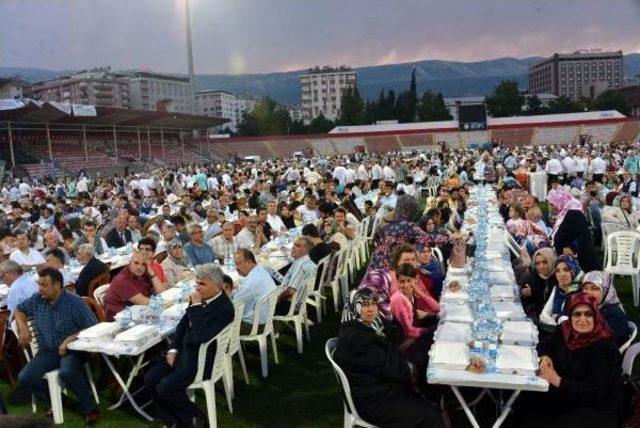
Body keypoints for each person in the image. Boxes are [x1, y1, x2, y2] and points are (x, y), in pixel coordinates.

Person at [333, 288, 444, 428]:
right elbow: (390, 368)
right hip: (374, 400)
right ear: (354, 306)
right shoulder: (356, 338)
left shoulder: (370, 324)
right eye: (365, 305)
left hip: (383, 386)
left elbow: (395, 332)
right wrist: (412, 369)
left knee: (431, 387)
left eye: (373, 304)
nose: (371, 309)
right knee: (430, 415)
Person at [144, 263, 234, 428]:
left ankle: (195, 417)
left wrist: (196, 306)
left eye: (202, 284)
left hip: (203, 359)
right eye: (197, 282)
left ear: (217, 287)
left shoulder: (224, 308)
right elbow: (182, 326)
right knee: (150, 378)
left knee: (165, 388)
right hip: (184, 353)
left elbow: (201, 335)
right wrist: (173, 349)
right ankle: (172, 421)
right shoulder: (199, 299)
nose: (197, 287)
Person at [514, 292, 622, 428]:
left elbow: (597, 392)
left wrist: (557, 380)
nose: (582, 319)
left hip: (596, 408)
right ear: (570, 316)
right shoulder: (566, 331)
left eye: (588, 314)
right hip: (566, 395)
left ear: (596, 317)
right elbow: (544, 345)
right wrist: (545, 356)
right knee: (523, 401)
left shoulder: (605, 348)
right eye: (577, 314)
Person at [15, 268, 100, 425]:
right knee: (25, 378)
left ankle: (91, 408)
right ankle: (60, 400)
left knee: (68, 370)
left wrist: (69, 340)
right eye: (39, 284)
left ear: (57, 285)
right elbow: (19, 310)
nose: (40, 288)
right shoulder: (37, 299)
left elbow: (93, 327)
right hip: (48, 349)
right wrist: (23, 327)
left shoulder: (74, 302)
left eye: (44, 285)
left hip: (74, 348)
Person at [103, 251, 168, 321]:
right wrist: (167, 303)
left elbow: (164, 293)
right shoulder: (121, 280)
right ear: (130, 263)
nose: (139, 267)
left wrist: (152, 274)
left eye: (144, 264)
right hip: (120, 321)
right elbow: (144, 302)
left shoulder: (144, 274)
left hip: (140, 313)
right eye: (136, 263)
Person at [547, 189, 600, 272]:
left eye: (552, 204)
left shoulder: (573, 214)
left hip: (572, 261)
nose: (550, 207)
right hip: (562, 257)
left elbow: (582, 237)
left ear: (561, 201)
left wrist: (573, 248)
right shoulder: (564, 214)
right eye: (549, 204)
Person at [369, 194, 426, 270]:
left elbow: (376, 237)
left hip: (376, 261)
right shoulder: (406, 224)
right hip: (392, 266)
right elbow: (427, 238)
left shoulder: (387, 217)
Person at [580, 271, 631, 347]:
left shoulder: (614, 316)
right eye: (586, 288)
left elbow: (605, 344)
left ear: (606, 291)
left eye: (595, 288)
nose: (589, 292)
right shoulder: (595, 307)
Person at [271, 237, 317, 315]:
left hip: (290, 305)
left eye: (298, 246)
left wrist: (277, 300)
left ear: (306, 250)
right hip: (302, 300)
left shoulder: (299, 265)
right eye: (294, 245)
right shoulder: (309, 262)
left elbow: (290, 292)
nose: (293, 247)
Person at [232, 248, 276, 325]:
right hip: (268, 315)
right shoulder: (262, 270)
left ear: (249, 262)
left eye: (238, 264)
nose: (236, 268)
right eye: (235, 264)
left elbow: (234, 308)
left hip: (256, 324)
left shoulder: (249, 283)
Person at [540, 255, 581, 330]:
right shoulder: (557, 290)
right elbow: (543, 316)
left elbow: (571, 324)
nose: (562, 274)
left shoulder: (580, 294)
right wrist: (557, 322)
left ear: (574, 270)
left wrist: (555, 317)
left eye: (566, 269)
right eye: (557, 271)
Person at [518, 247, 558, 319]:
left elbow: (551, 299)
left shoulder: (558, 277)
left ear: (551, 261)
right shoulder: (534, 275)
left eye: (545, 262)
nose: (541, 267)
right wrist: (525, 293)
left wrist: (533, 291)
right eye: (537, 263)